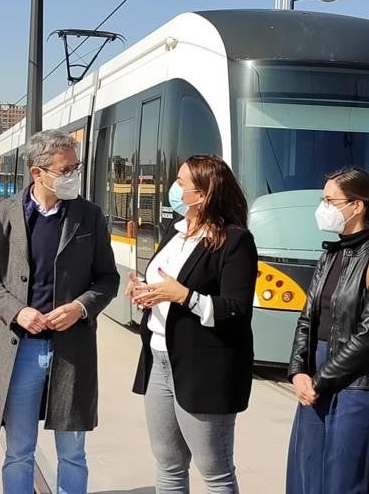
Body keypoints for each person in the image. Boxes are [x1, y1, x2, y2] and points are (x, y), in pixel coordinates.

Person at [0, 130, 120, 494]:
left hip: (72, 350)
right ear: (38, 173)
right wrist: (17, 312)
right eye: (65, 169)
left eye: (76, 167)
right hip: (22, 348)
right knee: (19, 450)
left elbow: (107, 278)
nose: (73, 175)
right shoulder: (5, 214)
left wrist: (81, 307)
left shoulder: (90, 215)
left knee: (72, 452)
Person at [129, 155, 257, 494]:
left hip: (205, 367)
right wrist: (145, 291)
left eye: (182, 183)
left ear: (202, 194)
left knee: (214, 470)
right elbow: (167, 285)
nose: (175, 188)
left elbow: (237, 308)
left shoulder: (236, 241)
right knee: (168, 463)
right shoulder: (176, 232)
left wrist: (185, 296)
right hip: (159, 358)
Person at [286, 166, 369, 494]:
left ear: (357, 206)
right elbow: (307, 318)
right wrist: (298, 371)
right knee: (305, 478)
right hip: (315, 382)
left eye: (329, 200)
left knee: (344, 483)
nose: (322, 208)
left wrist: (321, 380)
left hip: (357, 387)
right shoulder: (329, 255)